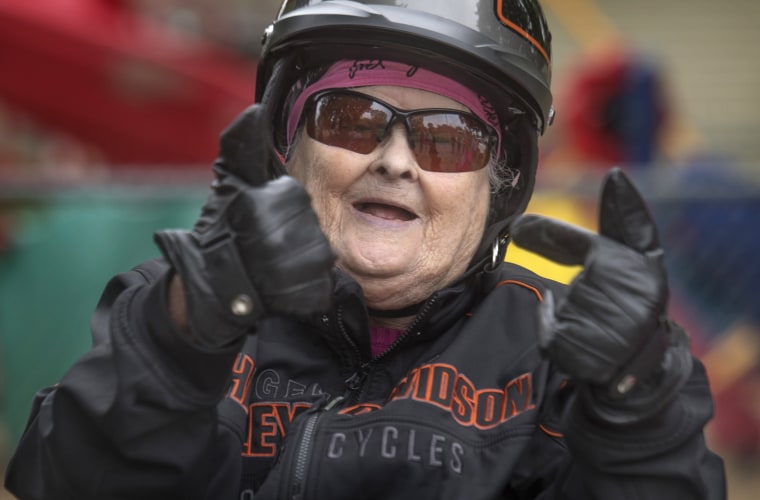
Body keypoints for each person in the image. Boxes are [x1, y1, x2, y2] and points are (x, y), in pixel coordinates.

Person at [5, 1, 726, 498]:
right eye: (352, 119)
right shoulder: (176, 307)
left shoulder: (564, 365)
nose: (395, 161)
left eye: (448, 138)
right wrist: (181, 341)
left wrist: (638, 411)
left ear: (499, 187)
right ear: (288, 148)